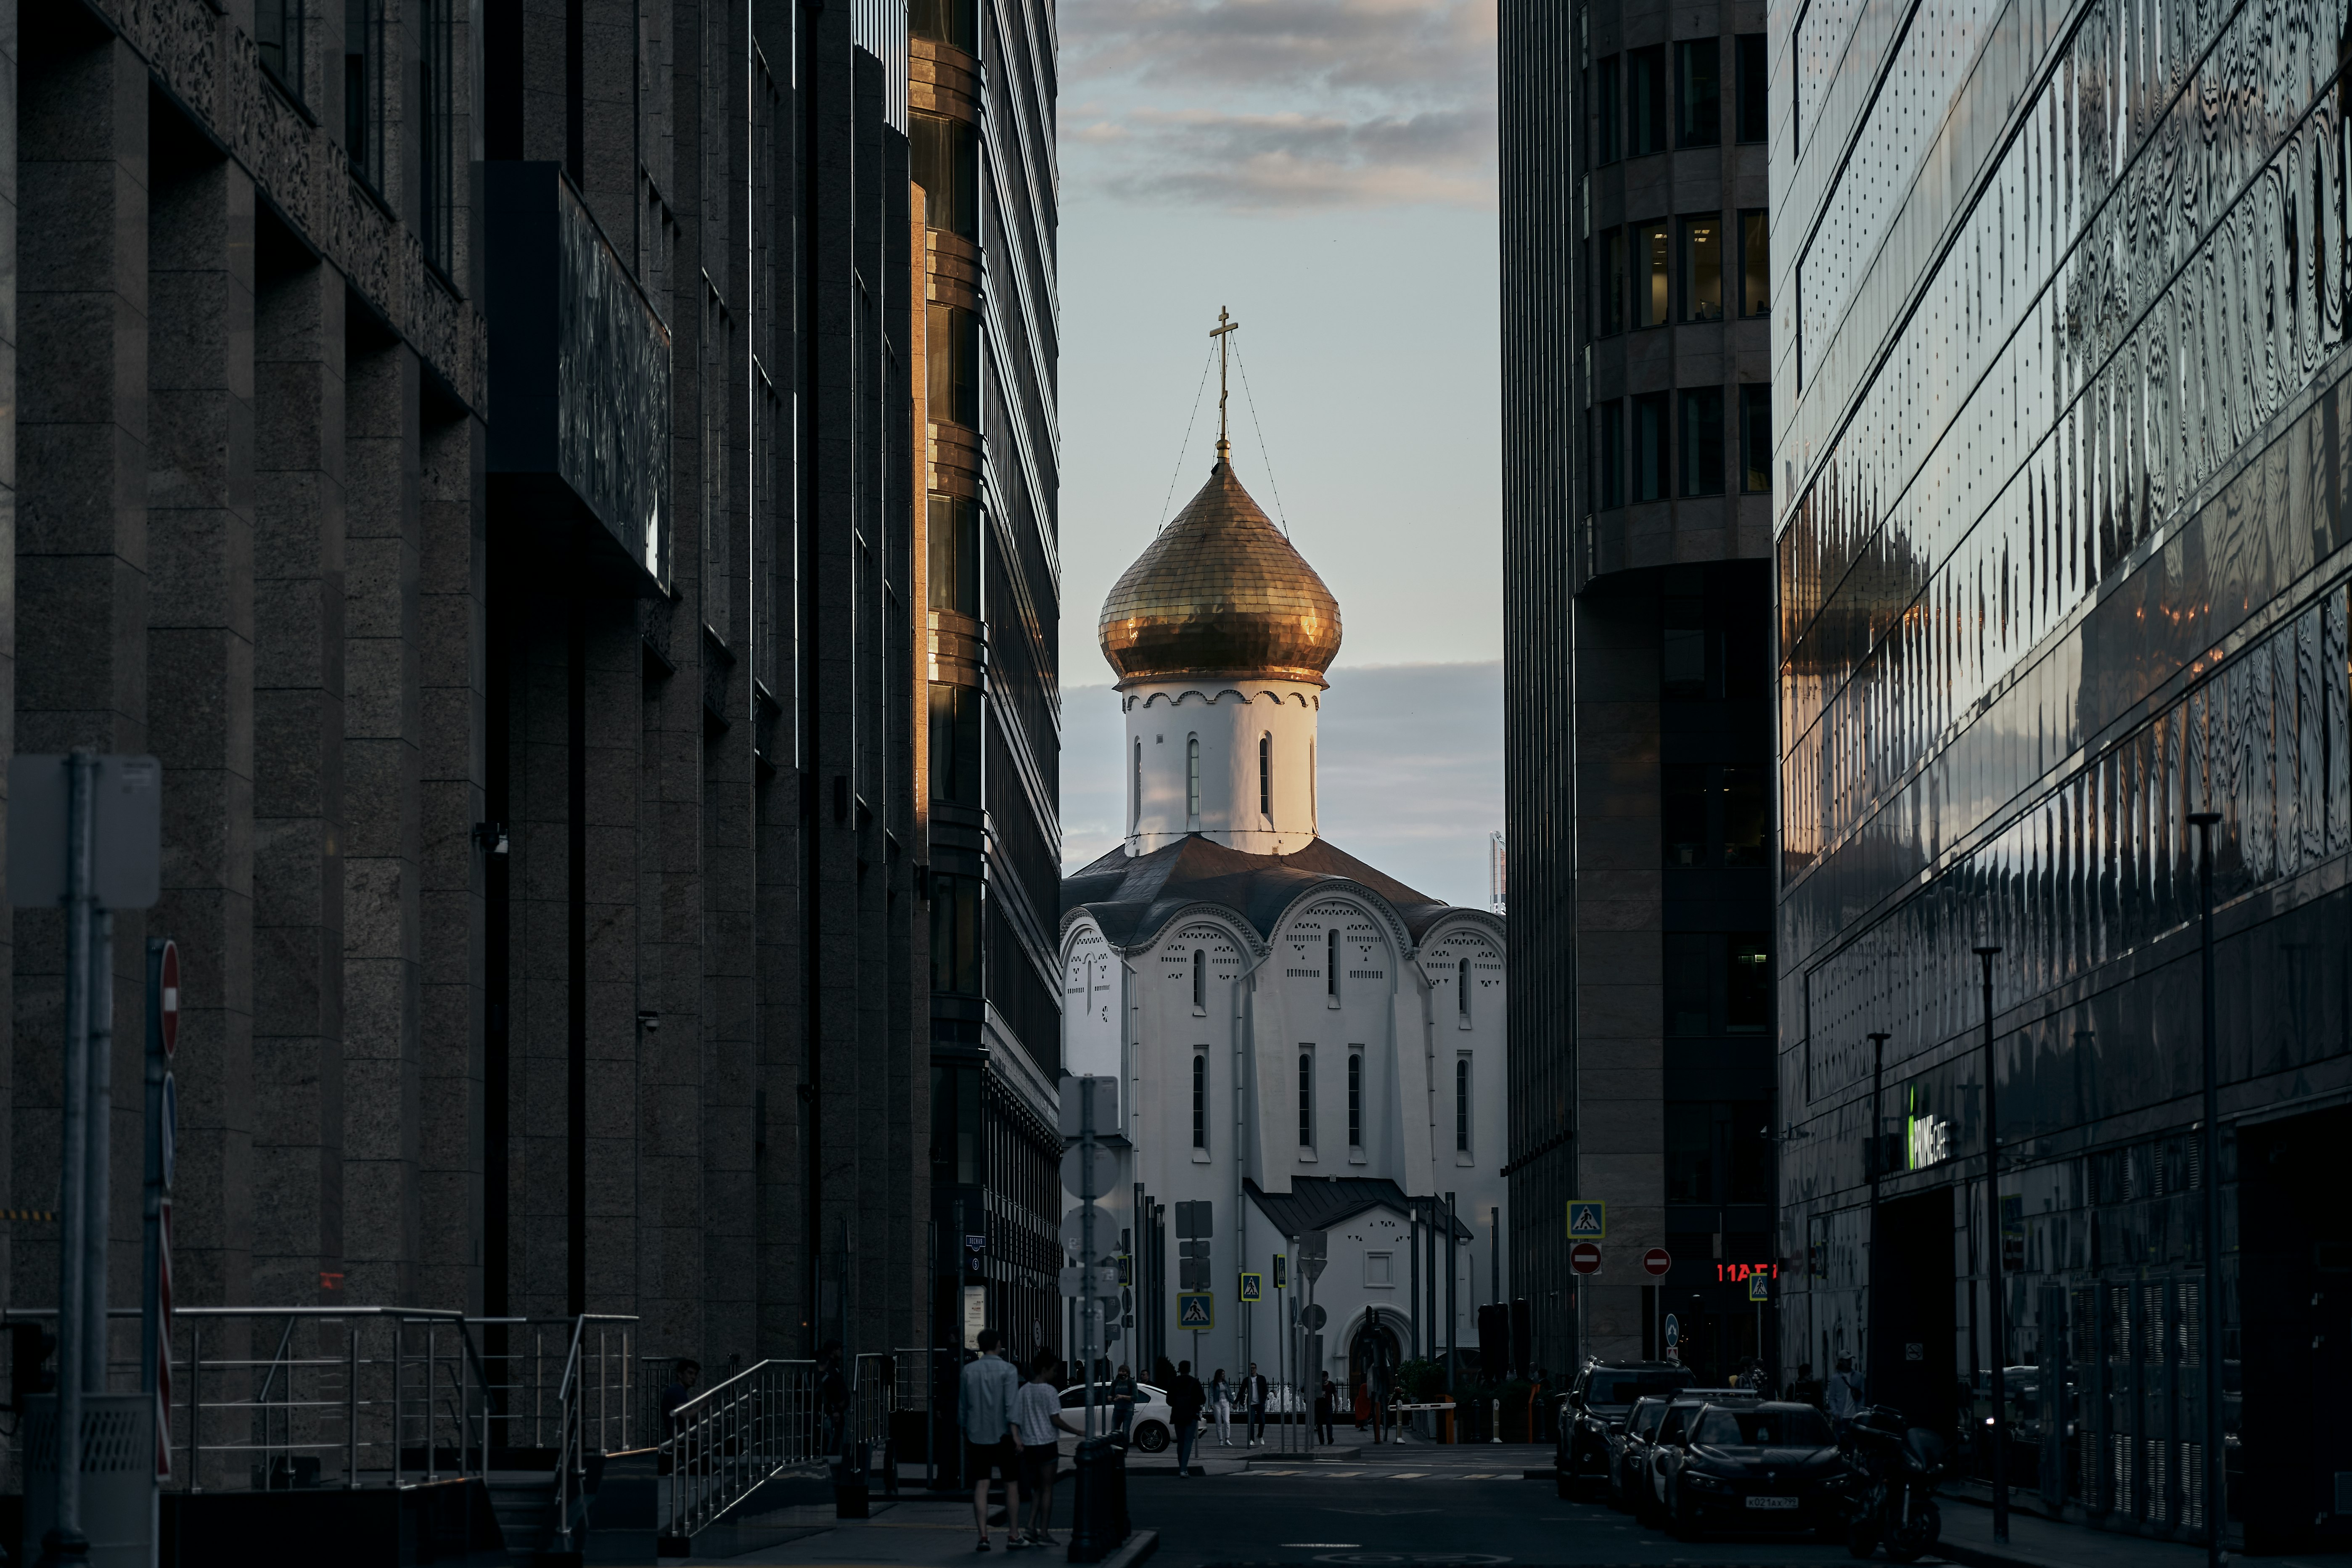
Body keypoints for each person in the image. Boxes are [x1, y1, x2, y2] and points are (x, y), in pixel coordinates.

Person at [959, 1328, 1024, 1551]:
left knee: (982, 1484)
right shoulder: (1008, 1370)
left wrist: (965, 1430)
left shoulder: (968, 1371)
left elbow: (963, 1406)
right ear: (997, 1344)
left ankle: (983, 1536)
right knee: (1011, 1485)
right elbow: (1011, 1405)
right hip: (1004, 1434)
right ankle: (1014, 1535)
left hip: (977, 1434)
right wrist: (1016, 1434)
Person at [1012, 1353, 1064, 1547]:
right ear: (1045, 1370)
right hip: (1048, 1444)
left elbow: (1016, 1418)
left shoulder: (1023, 1391)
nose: (1055, 1374)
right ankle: (1043, 1532)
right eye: (1054, 1370)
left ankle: (1030, 1527)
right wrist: (1078, 1431)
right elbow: (1055, 1420)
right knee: (1048, 1489)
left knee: (1036, 1490)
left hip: (1029, 1446)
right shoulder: (1050, 1391)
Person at [1167, 1360, 1206, 1476]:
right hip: (1191, 1415)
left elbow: (1169, 1400)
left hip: (1178, 1414)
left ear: (1179, 1369)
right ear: (1189, 1369)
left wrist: (1178, 1404)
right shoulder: (1194, 1382)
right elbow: (1203, 1399)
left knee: (1181, 1442)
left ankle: (1182, 1467)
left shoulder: (1174, 1382)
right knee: (1188, 1442)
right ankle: (1183, 1469)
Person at [817, 1342, 851, 1459]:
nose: (842, 1351)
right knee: (831, 1440)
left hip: (835, 1410)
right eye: (839, 1349)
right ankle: (829, 1463)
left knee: (834, 1439)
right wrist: (835, 1409)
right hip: (832, 1412)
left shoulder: (834, 1366)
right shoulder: (830, 1367)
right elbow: (830, 1390)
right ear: (833, 1351)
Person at [1825, 1355, 1860, 1427]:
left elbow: (1863, 1396)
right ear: (1841, 1361)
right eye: (1847, 1360)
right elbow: (1832, 1398)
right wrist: (1835, 1413)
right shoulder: (1835, 1379)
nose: (1849, 1362)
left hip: (1855, 1416)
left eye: (1850, 1360)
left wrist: (1861, 1412)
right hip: (1841, 1418)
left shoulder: (1859, 1376)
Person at [1110, 1364, 1137, 1443]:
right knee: (1114, 1432)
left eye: (1123, 1371)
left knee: (1126, 1432)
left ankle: (1125, 1451)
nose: (1121, 1373)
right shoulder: (1115, 1383)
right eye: (1120, 1371)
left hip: (1127, 1410)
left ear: (1127, 1373)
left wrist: (1122, 1397)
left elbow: (1135, 1397)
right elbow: (1109, 1396)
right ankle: (1115, 1450)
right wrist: (1113, 1399)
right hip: (1117, 1410)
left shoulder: (1131, 1383)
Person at [1244, 1362, 1269, 1445]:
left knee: (1262, 1421)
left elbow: (1266, 1390)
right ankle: (1252, 1440)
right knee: (1251, 1422)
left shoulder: (1262, 1378)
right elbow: (1241, 1391)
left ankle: (1260, 1436)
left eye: (1254, 1368)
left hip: (1260, 1403)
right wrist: (1236, 1402)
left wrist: (1263, 1400)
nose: (1252, 1370)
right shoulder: (1247, 1380)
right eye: (1251, 1368)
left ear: (1256, 1369)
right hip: (1251, 1404)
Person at [1210, 1369, 1233, 1445]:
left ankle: (1227, 1439)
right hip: (1217, 1403)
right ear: (1219, 1375)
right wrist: (1212, 1404)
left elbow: (1229, 1393)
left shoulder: (1225, 1383)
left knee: (1227, 1421)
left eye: (1224, 1374)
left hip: (1226, 1402)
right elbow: (1211, 1395)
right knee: (1219, 1422)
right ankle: (1221, 1440)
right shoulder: (1214, 1384)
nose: (1224, 1375)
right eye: (1223, 1374)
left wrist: (1233, 1402)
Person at [1314, 1375, 1336, 1445]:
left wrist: (1337, 1407)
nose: (1323, 1378)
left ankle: (1330, 1439)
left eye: (1324, 1376)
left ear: (1328, 1377)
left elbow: (1336, 1395)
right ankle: (1322, 1441)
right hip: (1319, 1407)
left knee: (1329, 1424)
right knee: (1320, 1425)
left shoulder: (1331, 1384)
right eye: (1322, 1376)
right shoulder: (1318, 1384)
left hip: (1328, 1407)